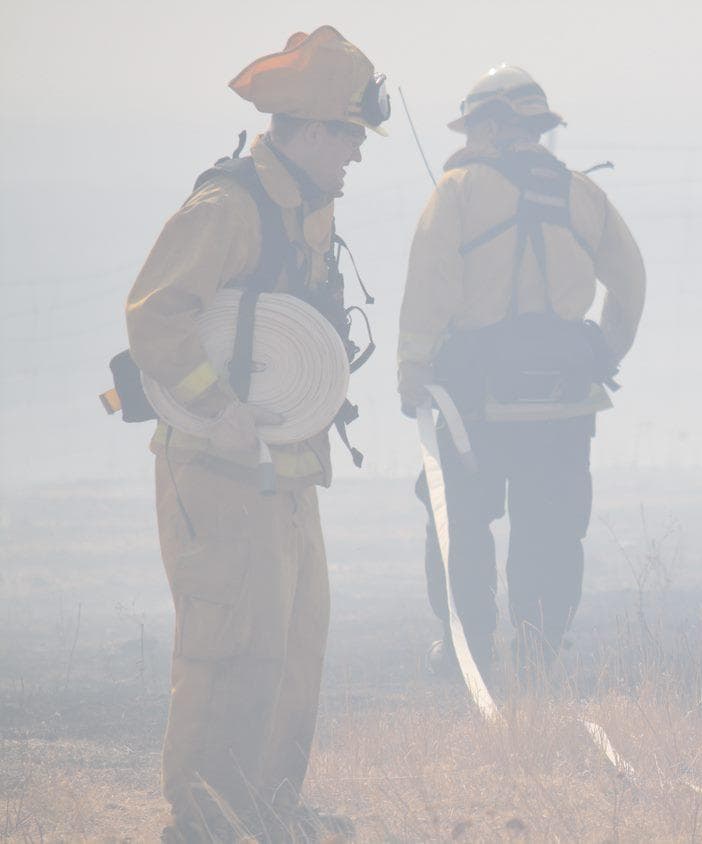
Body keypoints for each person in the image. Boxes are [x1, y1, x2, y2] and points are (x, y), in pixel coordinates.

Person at [124, 26, 388, 841]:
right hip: (216, 465)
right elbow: (154, 315)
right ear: (310, 130)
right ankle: (206, 818)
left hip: (288, 470)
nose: (355, 155)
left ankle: (267, 809)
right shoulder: (229, 207)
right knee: (229, 640)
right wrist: (219, 402)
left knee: (292, 643)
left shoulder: (306, 209)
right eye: (348, 137)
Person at [398, 65, 646, 680]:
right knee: (552, 530)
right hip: (565, 403)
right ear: (536, 127)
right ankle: (539, 652)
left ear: (489, 125)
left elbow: (430, 285)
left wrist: (413, 369)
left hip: (472, 404)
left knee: (460, 524)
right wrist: (604, 351)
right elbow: (631, 284)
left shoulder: (456, 190)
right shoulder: (583, 194)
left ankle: (468, 650)